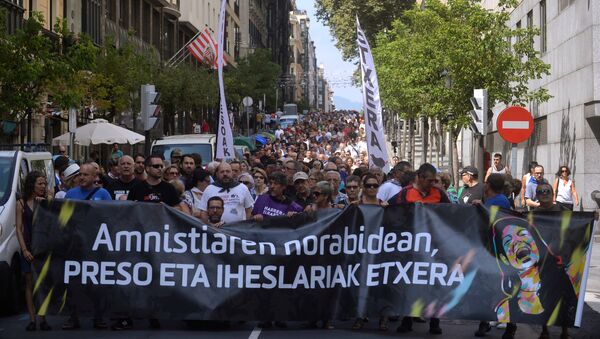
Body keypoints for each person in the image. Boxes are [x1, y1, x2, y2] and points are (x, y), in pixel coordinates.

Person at [490, 209, 575, 339]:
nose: (518, 242)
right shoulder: (504, 309)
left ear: (536, 242)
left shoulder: (561, 285)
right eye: (508, 241)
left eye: (522, 234)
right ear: (504, 258)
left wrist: (593, 218)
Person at [390, 163, 449, 335]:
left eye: (434, 180)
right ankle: (407, 320)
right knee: (409, 284)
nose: (432, 184)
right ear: (419, 177)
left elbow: (453, 212)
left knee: (434, 284)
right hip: (410, 247)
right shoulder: (405, 193)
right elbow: (392, 210)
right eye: (429, 180)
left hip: (433, 248)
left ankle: (434, 322)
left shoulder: (439, 194)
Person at [124, 155, 179, 330]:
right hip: (141, 240)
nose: (159, 169)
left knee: (156, 278)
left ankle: (154, 314)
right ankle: (133, 313)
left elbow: (180, 210)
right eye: (155, 166)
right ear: (147, 168)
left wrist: (166, 208)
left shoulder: (169, 189)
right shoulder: (137, 188)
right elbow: (129, 211)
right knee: (138, 278)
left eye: (161, 166)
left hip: (161, 241)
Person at [16, 171, 51, 331]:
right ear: (32, 185)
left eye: (44, 183)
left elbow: (53, 221)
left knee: (42, 283)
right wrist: (24, 250)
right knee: (29, 284)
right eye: (40, 183)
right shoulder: (21, 203)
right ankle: (32, 319)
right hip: (28, 247)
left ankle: (42, 318)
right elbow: (19, 228)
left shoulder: (45, 202)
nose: (43, 186)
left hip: (43, 247)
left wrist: (45, 202)